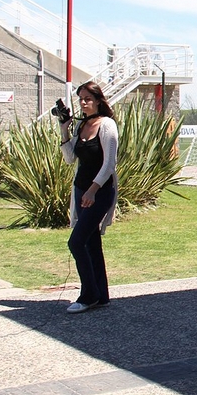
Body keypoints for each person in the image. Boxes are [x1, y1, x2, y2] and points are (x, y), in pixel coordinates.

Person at [58, 81, 118, 314]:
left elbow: (109, 163)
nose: (83, 103)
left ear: (98, 100)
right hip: (81, 190)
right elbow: (70, 159)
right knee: (91, 242)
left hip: (100, 191)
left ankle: (88, 295)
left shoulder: (107, 125)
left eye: (88, 99)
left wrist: (93, 190)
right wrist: (64, 129)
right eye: (81, 99)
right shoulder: (81, 125)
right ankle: (101, 295)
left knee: (76, 241)